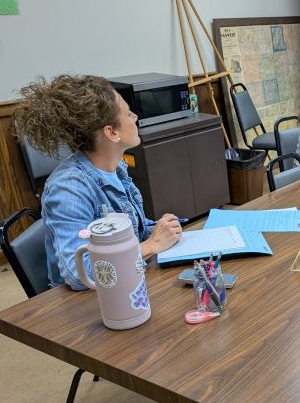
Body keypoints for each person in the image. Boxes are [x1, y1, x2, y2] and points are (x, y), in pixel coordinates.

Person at [13, 74, 182, 291]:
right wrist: (151, 245)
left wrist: (161, 229)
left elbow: (130, 232)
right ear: (111, 133)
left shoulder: (115, 167)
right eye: (128, 113)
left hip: (125, 285)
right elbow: (78, 274)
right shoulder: (69, 188)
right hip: (84, 305)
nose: (135, 116)